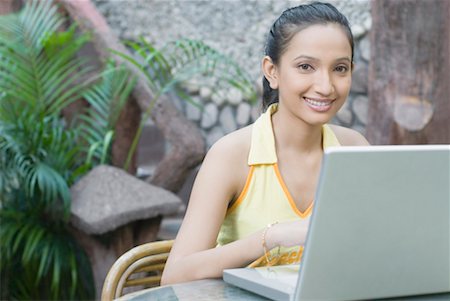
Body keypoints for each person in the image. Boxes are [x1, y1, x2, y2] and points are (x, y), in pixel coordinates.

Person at [161, 1, 369, 285]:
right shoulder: (231, 155)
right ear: (272, 71)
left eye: (340, 69)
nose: (325, 85)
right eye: (306, 66)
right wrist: (272, 238)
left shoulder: (355, 150)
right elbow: (176, 274)